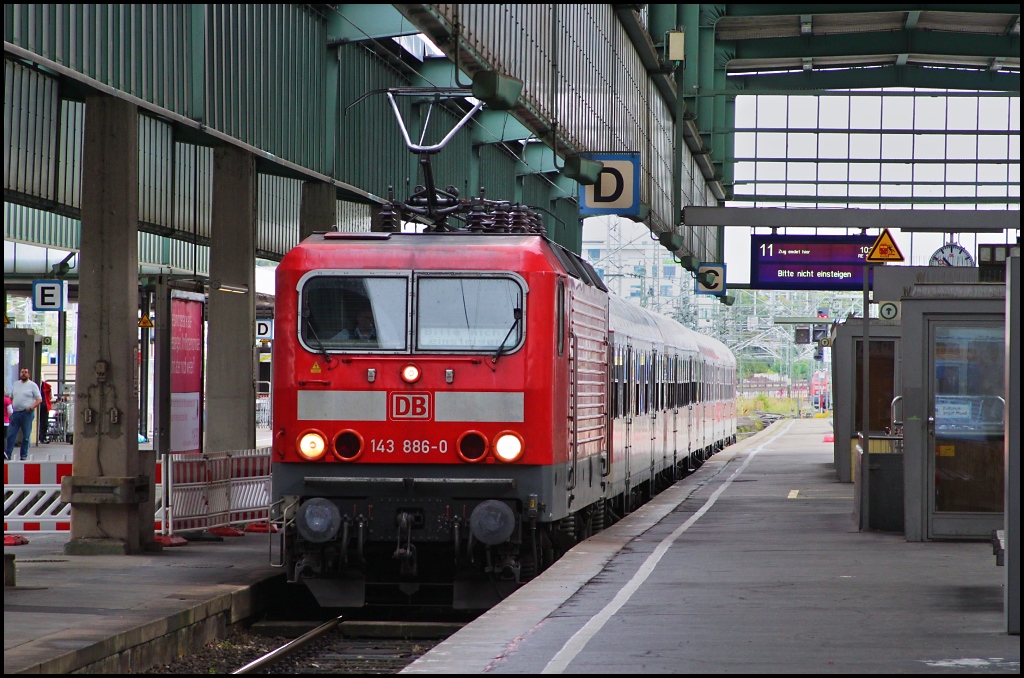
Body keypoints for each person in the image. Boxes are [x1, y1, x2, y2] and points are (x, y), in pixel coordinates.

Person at [6, 368, 42, 461]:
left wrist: (31, 407)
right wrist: (10, 410)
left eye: (25, 372)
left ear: (29, 375)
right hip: (15, 413)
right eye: (22, 372)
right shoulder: (16, 384)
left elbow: (39, 399)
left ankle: (24, 455)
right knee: (11, 434)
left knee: (26, 436)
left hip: (27, 413)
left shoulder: (32, 385)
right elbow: (11, 398)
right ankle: (8, 453)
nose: (23, 374)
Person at [38, 379, 53, 444]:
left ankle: (42, 437)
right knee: (43, 422)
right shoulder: (47, 386)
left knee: (44, 422)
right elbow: (50, 397)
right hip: (43, 405)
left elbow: (50, 397)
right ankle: (42, 437)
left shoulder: (46, 386)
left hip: (43, 405)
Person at [4, 391, 12, 459]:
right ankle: (4, 451)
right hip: (5, 422)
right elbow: (10, 411)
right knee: (4, 437)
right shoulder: (7, 400)